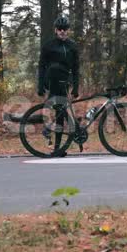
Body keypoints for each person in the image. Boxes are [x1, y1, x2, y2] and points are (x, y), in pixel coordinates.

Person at [37, 16, 80, 155]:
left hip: (64, 82)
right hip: (52, 81)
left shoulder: (72, 46)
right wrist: (40, 84)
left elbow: (76, 69)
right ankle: (56, 145)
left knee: (61, 114)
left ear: (68, 30)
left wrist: (76, 87)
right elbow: (42, 66)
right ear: (55, 30)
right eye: (60, 29)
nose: (62, 31)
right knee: (59, 112)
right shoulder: (48, 45)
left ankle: (56, 145)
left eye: (65, 29)